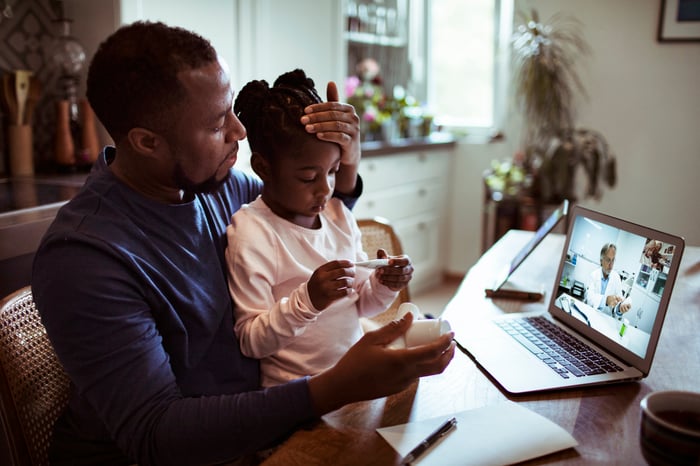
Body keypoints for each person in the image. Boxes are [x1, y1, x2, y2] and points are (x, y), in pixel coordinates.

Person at [31, 22, 454, 466]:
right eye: (217, 123)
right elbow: (156, 434)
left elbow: (305, 212)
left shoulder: (218, 185)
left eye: (231, 110)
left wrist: (345, 159)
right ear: (147, 142)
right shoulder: (86, 259)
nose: (238, 130)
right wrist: (335, 387)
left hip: (262, 432)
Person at [227, 69, 413, 387]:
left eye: (332, 172)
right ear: (263, 168)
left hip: (355, 378)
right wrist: (309, 300)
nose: (325, 189)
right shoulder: (252, 233)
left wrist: (384, 285)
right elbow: (251, 341)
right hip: (296, 395)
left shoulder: (338, 215)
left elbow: (362, 306)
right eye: (308, 177)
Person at [585, 243, 631, 317]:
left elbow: (618, 302)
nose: (611, 264)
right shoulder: (593, 275)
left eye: (613, 260)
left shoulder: (616, 278)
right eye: (608, 260)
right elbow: (589, 297)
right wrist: (605, 300)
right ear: (601, 261)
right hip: (591, 314)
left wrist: (620, 308)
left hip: (606, 318)